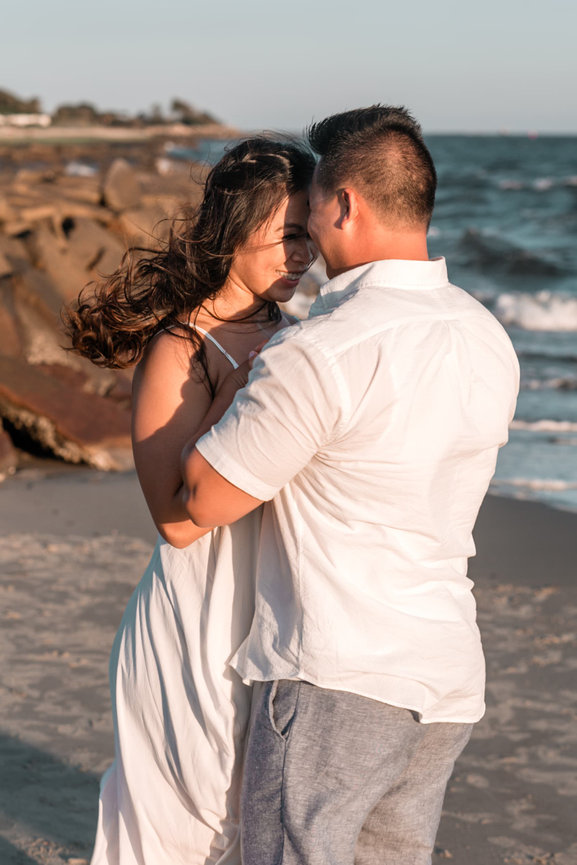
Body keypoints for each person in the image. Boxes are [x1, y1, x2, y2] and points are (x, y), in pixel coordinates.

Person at [182, 106, 520, 865]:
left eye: (309, 211)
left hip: (337, 671)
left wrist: (231, 375)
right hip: (445, 673)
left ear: (344, 205)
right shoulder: (485, 335)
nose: (307, 235)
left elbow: (202, 498)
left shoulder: (323, 349)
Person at [64, 137, 316, 865]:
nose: (303, 255)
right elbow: (174, 522)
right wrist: (242, 390)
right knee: (189, 824)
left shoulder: (298, 338)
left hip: (276, 611)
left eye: (310, 235)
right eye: (287, 235)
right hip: (195, 616)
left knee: (252, 819)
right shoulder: (179, 349)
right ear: (234, 230)